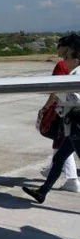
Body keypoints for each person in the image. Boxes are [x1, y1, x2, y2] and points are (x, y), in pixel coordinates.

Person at [23, 43, 80, 203]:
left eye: (67, 57)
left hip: (77, 127)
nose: (64, 60)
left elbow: (72, 98)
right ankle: (42, 192)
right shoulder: (73, 73)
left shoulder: (76, 76)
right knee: (59, 158)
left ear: (76, 60)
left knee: (60, 158)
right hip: (73, 128)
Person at [38, 34, 79, 192]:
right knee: (60, 150)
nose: (57, 49)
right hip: (69, 114)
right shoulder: (70, 66)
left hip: (68, 115)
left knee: (62, 144)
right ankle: (45, 186)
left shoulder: (64, 66)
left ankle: (72, 179)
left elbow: (56, 91)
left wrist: (46, 107)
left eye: (60, 45)